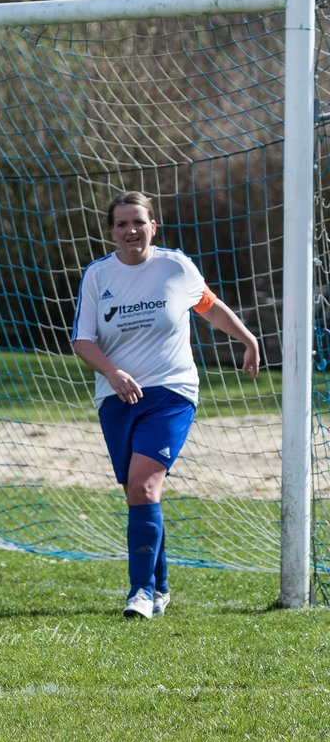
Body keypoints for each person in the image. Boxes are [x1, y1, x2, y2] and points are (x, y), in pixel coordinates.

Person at [71, 191, 259, 619]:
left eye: (138, 222)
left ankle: (139, 593)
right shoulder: (98, 276)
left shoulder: (175, 266)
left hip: (171, 392)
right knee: (138, 494)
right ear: (111, 232)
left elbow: (209, 307)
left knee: (144, 486)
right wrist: (114, 373)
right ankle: (160, 588)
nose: (130, 231)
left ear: (153, 226)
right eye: (121, 224)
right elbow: (82, 339)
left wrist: (247, 338)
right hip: (117, 396)